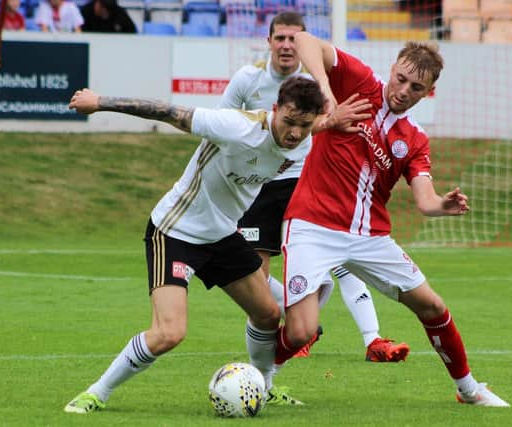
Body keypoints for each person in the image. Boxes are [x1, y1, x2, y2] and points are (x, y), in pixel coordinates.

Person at [269, 31, 510, 407]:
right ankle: (257, 381)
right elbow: (303, 40)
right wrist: (327, 95)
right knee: (300, 332)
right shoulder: (358, 80)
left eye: (416, 87)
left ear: (427, 93)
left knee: (432, 306)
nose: (403, 90)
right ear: (392, 69)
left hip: (370, 238)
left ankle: (469, 390)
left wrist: (440, 206)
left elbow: (425, 199)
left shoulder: (414, 139)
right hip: (312, 226)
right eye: (401, 79)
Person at [63, 76, 325, 414]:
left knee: (268, 314)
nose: (295, 133)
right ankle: (96, 393)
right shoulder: (235, 126)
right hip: (175, 231)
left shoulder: (303, 141)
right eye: (289, 122)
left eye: (304, 125)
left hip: (222, 235)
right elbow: (168, 111)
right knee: (169, 333)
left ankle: (263, 386)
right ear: (275, 110)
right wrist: (100, 102)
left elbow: (323, 125)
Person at [225, 11, 409, 362]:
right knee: (252, 276)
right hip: (259, 185)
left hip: (304, 180)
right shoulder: (247, 81)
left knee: (345, 256)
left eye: (294, 38)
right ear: (268, 42)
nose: (287, 45)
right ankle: (301, 318)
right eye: (280, 38)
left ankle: (372, 338)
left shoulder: (314, 81)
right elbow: (225, 125)